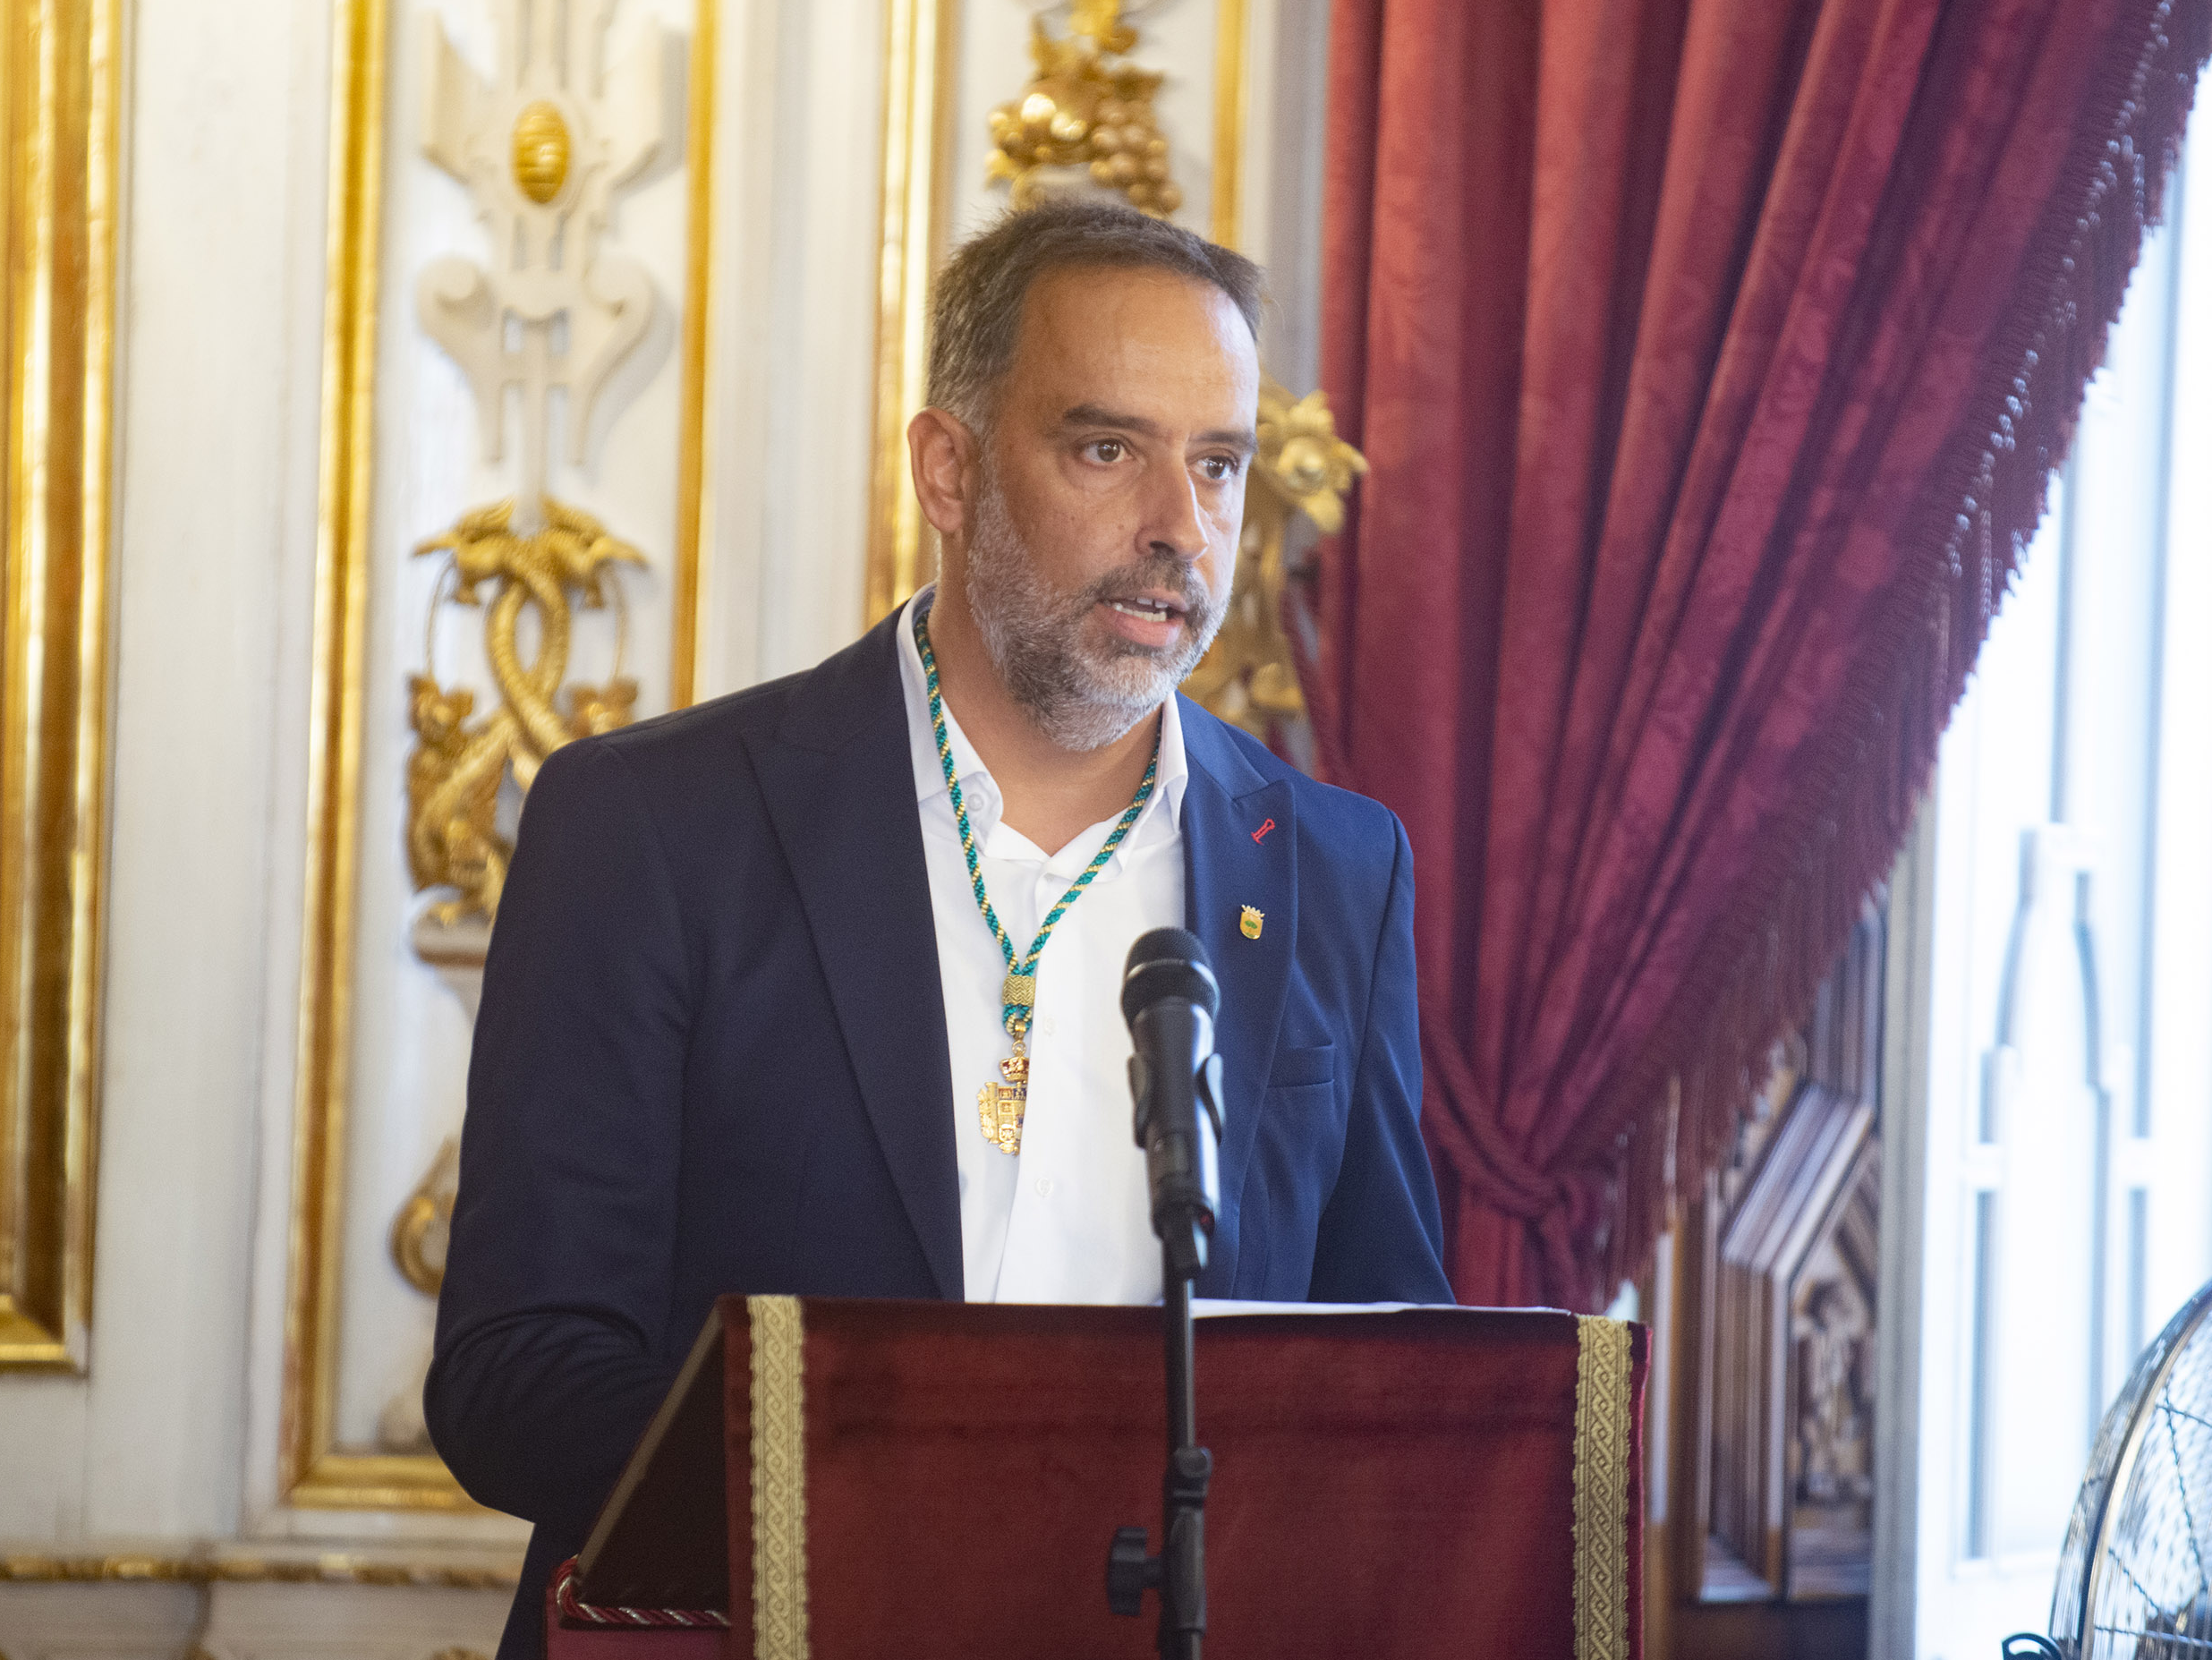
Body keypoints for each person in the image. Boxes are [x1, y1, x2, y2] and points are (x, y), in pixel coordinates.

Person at [428, 198, 1452, 1655]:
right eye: (1108, 448)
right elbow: (513, 1377)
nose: (1181, 528)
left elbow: (1389, 1387)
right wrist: (925, 1517)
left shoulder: (1339, 870)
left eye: (1216, 463)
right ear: (949, 468)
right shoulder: (650, 828)